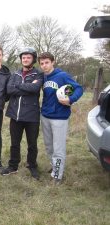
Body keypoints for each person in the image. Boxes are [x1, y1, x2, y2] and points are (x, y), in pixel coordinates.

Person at [38, 52, 83, 184]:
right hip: (45, 115)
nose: (44, 66)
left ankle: (57, 176)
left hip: (59, 117)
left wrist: (70, 99)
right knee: (48, 146)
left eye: (47, 62)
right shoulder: (44, 77)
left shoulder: (62, 76)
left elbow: (79, 88)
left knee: (58, 147)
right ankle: (55, 167)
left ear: (53, 62)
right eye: (42, 63)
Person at [1, 47, 43, 180]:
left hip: (32, 115)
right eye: (23, 57)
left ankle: (32, 165)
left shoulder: (38, 74)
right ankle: (13, 165)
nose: (25, 59)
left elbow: (35, 88)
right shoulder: (15, 74)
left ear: (33, 59)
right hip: (15, 114)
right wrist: (27, 88)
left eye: (28, 57)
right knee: (14, 143)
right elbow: (9, 90)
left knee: (32, 143)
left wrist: (18, 86)